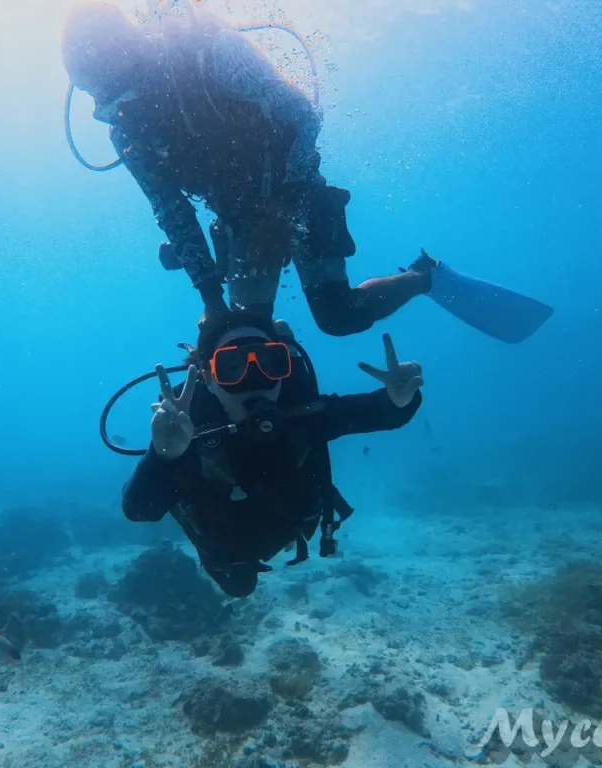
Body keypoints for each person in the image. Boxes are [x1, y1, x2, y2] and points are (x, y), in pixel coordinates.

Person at [61, 2, 435, 336]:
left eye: (112, 84)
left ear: (130, 48)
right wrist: (211, 298)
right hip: (239, 217)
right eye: (96, 92)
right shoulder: (126, 131)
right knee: (244, 334)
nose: (112, 102)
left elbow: (303, 116)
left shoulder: (210, 52)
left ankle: (422, 276)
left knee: (338, 316)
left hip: (298, 191)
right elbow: (170, 209)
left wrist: (282, 205)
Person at [120, 310, 425, 597]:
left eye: (270, 362)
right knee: (239, 587)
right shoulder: (190, 429)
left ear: (284, 371)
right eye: (231, 367)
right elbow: (139, 510)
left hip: (285, 525)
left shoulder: (301, 414)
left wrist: (399, 400)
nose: (254, 380)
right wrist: (164, 456)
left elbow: (378, 413)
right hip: (228, 545)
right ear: (209, 379)